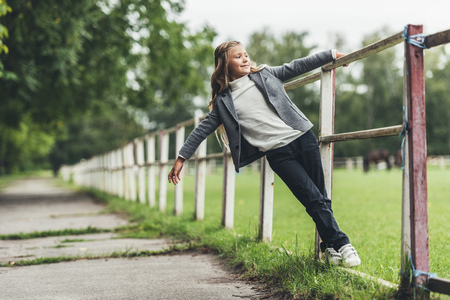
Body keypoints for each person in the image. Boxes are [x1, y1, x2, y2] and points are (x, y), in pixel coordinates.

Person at [168, 41, 361, 267]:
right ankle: (343, 244)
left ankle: (329, 247)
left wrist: (329, 55)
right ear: (224, 65)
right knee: (312, 197)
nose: (245, 59)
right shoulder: (223, 102)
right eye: (238, 57)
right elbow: (201, 130)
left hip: (302, 138)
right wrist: (182, 158)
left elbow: (296, 66)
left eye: (246, 54)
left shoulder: (265, 74)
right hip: (278, 154)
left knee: (321, 196)